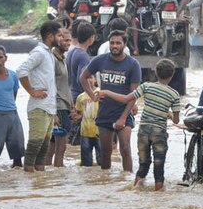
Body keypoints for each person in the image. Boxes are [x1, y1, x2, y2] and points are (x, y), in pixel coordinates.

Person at [100, 59, 181, 191]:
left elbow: (126, 99)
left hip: (143, 131)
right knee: (158, 165)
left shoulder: (146, 86)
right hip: (159, 132)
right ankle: (158, 194)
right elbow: (176, 120)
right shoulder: (174, 94)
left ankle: (135, 188)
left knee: (143, 163)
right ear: (172, 75)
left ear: (155, 72)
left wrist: (107, 92)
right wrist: (170, 115)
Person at [79, 30, 141, 172]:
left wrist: (123, 118)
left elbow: (134, 94)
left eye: (118, 43)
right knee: (105, 152)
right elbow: (83, 77)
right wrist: (92, 95)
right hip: (104, 113)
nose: (115, 46)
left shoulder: (133, 64)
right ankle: (105, 183)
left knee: (125, 148)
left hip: (123, 112)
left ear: (125, 45)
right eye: (112, 43)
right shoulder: (100, 60)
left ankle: (127, 180)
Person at [16, 21, 62, 172]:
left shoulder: (48, 53)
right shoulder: (39, 52)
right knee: (34, 147)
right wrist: (31, 91)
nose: (61, 39)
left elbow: (50, 83)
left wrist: (54, 113)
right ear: (50, 36)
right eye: (59, 35)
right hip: (38, 107)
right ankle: (30, 181)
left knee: (43, 149)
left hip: (48, 109)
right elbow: (21, 70)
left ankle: (39, 185)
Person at [46, 27, 72, 167]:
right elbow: (50, 86)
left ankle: (49, 177)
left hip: (64, 105)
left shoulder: (63, 59)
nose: (67, 43)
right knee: (60, 148)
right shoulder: (53, 60)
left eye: (69, 40)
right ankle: (58, 180)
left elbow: (65, 85)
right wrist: (54, 112)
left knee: (52, 146)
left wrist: (72, 105)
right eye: (64, 39)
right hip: (58, 107)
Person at [73, 75, 101, 166]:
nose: (89, 80)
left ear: (95, 79)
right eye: (86, 78)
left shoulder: (101, 93)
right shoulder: (80, 97)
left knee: (102, 162)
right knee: (86, 164)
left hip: (100, 132)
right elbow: (79, 114)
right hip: (85, 132)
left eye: (91, 78)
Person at [67, 22, 96, 101]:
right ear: (91, 38)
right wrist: (91, 94)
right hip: (79, 97)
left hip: (70, 93)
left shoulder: (72, 51)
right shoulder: (83, 56)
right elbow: (81, 79)